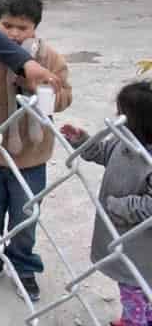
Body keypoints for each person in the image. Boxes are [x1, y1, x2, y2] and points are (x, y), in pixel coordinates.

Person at [0, 0, 72, 301]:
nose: (13, 34)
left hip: (30, 154)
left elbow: (65, 97)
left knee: (25, 217)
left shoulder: (49, 59)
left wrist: (41, 90)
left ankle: (24, 268)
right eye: (7, 25)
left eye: (22, 27)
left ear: (35, 28)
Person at [61, 82, 152, 326]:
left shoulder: (148, 160)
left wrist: (117, 205)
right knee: (136, 289)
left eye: (122, 113)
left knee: (134, 287)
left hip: (140, 246)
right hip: (120, 236)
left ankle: (135, 322)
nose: (116, 117)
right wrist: (81, 141)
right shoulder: (123, 142)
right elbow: (101, 152)